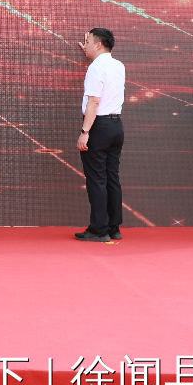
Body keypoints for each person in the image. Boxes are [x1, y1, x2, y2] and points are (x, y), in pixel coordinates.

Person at [74, 27, 126, 243]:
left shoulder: (96, 68)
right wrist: (90, 54)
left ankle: (98, 229)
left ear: (98, 44)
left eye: (88, 42)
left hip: (99, 126)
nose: (85, 46)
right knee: (112, 177)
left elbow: (94, 102)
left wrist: (85, 131)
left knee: (97, 179)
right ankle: (113, 227)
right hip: (116, 126)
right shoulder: (118, 65)